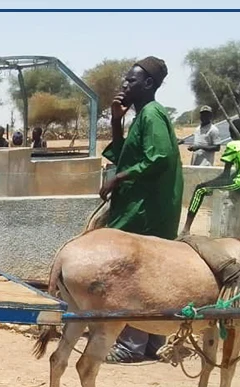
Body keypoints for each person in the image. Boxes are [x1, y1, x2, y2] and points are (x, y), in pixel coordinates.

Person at [97, 56, 184, 364]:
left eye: (130, 81)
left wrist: (118, 178)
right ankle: (153, 343)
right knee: (152, 275)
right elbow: (125, 155)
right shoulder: (141, 116)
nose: (124, 85)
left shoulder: (152, 114)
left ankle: (131, 346)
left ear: (148, 84)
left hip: (147, 210)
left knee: (135, 274)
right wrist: (116, 122)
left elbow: (159, 157)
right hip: (144, 206)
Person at [181, 118, 240, 235]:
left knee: (200, 189)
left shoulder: (233, 145)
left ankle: (186, 229)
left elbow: (225, 175)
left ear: (231, 132)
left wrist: (211, 186)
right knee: (215, 184)